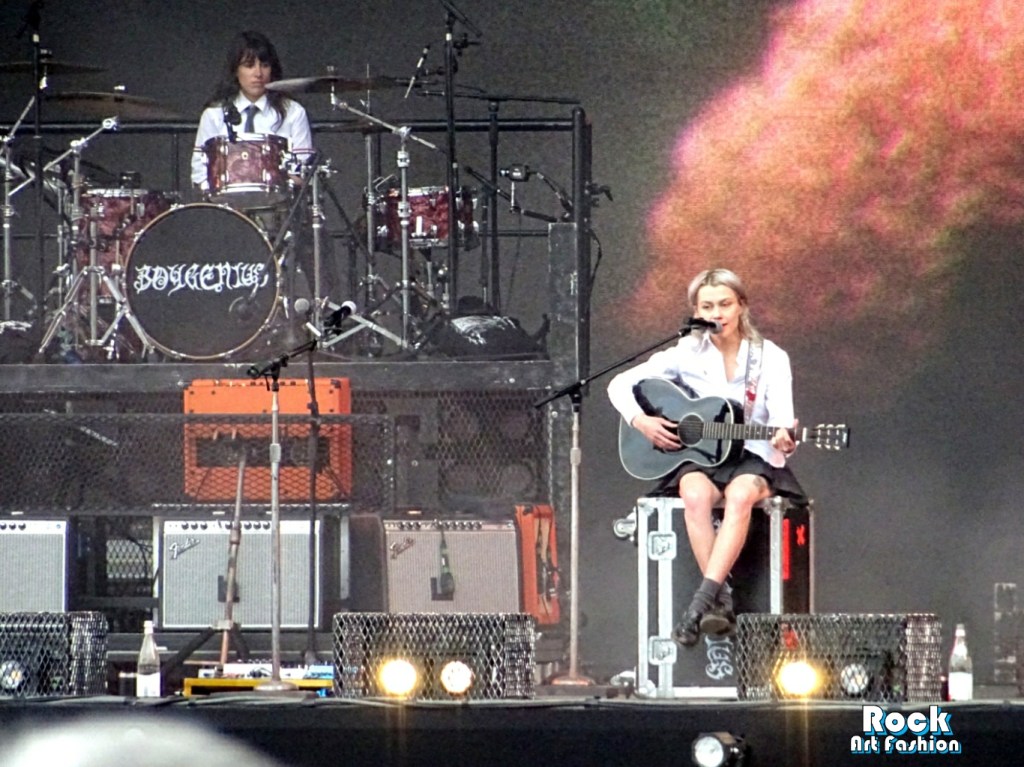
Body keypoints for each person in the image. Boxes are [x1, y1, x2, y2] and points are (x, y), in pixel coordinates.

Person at [607, 267, 804, 646]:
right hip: (704, 455)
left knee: (740, 495)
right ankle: (723, 601)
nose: (717, 313)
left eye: (725, 304)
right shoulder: (686, 353)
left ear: (741, 305)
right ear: (696, 312)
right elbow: (619, 384)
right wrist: (641, 421)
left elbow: (781, 421)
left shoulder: (771, 357)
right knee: (694, 495)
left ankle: (699, 607)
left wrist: (785, 437)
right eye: (707, 306)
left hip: (753, 454)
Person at [190, 30, 314, 194]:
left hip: (280, 204)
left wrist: (287, 178)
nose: (258, 74)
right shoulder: (214, 114)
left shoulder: (293, 113)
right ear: (235, 70)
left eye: (265, 65)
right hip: (228, 205)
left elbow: (303, 169)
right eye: (249, 66)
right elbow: (199, 169)